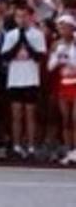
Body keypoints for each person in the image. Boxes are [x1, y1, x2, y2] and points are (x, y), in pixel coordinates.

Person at [2, 0, 47, 160]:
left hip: (31, 78)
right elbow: (5, 56)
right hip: (15, 79)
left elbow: (39, 56)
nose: (22, 19)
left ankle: (31, 146)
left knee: (30, 114)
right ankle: (16, 144)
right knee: (16, 114)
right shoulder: (11, 35)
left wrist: (25, 41)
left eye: (25, 16)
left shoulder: (37, 35)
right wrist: (19, 39)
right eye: (19, 17)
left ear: (30, 17)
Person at [48, 14, 76, 165]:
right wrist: (58, 57)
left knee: (75, 118)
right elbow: (50, 66)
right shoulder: (56, 45)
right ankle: (69, 149)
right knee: (66, 120)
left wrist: (69, 58)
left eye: (65, 26)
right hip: (63, 83)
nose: (62, 30)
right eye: (60, 27)